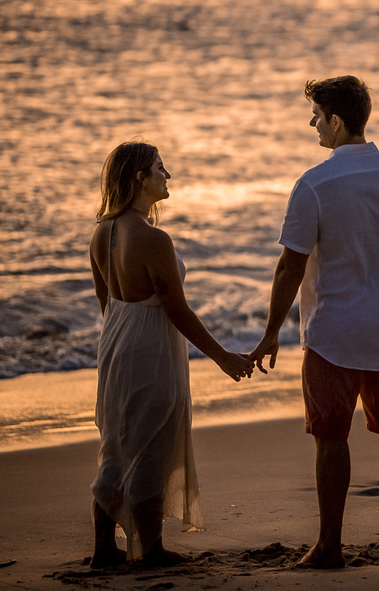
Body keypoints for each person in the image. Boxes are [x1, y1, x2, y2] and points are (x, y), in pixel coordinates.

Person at [249, 75, 379, 569]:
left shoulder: (315, 183)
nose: (313, 124)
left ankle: (330, 544)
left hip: (335, 333)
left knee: (331, 436)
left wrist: (271, 332)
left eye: (317, 116)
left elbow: (290, 266)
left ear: (337, 121)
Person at [88, 142, 254, 569]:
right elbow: (176, 310)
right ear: (140, 178)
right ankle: (151, 550)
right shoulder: (153, 239)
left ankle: (104, 547)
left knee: (116, 445)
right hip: (150, 347)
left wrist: (121, 343)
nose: (168, 175)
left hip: (115, 343)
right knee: (151, 443)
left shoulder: (101, 233)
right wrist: (223, 357)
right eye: (160, 168)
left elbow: (106, 303)